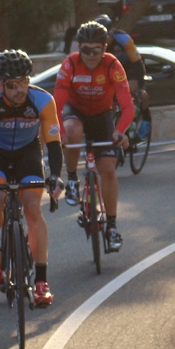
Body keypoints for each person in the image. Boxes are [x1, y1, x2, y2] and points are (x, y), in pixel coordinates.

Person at [0, 50, 61, 307]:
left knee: (33, 209)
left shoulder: (43, 100)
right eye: (12, 85)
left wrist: (55, 176)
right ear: (0, 85)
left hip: (28, 155)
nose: (20, 90)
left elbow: (53, 143)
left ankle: (41, 282)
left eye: (24, 82)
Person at [53, 21, 135, 252]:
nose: (90, 55)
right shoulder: (70, 64)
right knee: (72, 131)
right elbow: (56, 104)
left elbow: (127, 107)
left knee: (108, 170)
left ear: (104, 48)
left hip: (101, 115)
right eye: (86, 50)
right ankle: (72, 179)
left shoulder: (113, 65)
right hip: (75, 111)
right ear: (79, 48)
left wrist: (119, 131)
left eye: (96, 50)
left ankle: (112, 226)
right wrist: (60, 133)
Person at [97, 14, 150, 143]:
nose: (104, 41)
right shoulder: (94, 44)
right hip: (109, 73)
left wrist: (138, 84)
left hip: (129, 70)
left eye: (106, 36)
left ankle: (142, 122)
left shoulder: (123, 39)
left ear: (112, 31)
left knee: (139, 94)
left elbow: (138, 64)